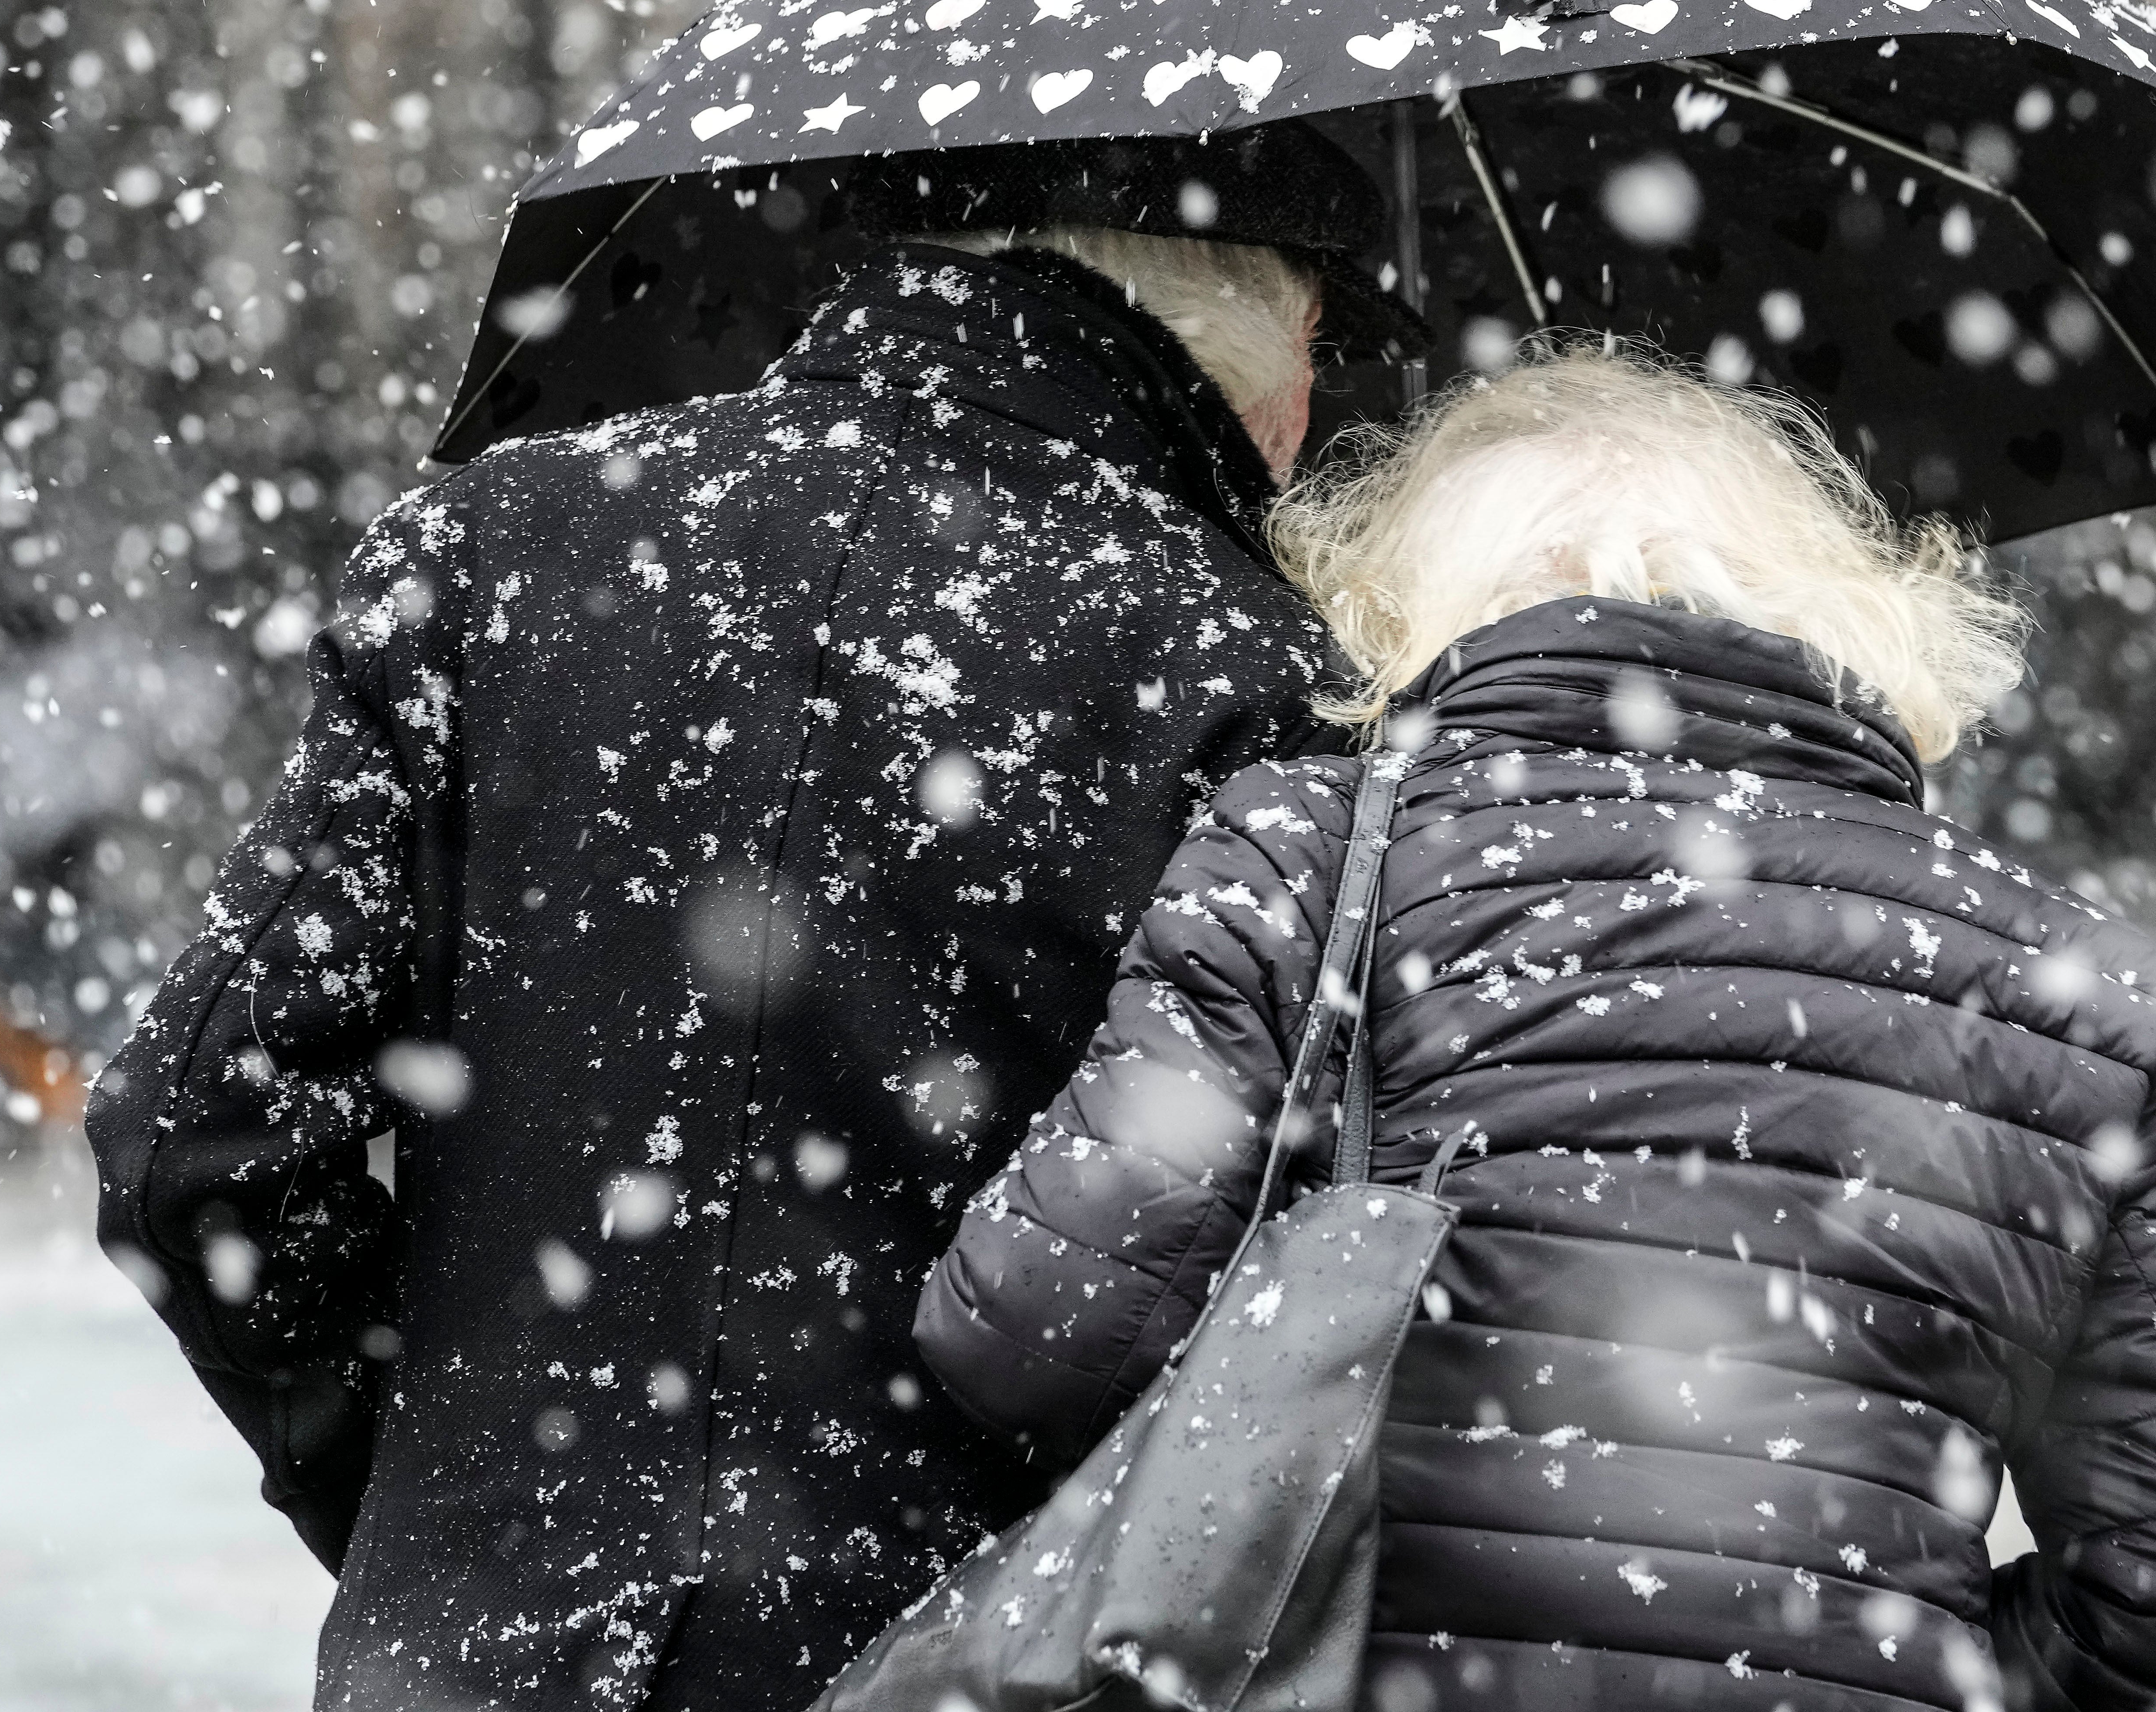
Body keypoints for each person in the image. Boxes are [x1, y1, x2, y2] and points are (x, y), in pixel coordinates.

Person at [85, 120, 1418, 1709]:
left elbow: (193, 1138)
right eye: (1320, 362)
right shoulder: (1247, 672)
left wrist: (429, 1502)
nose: (1308, 427)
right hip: (973, 1661)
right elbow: (1285, 1298)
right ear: (1256, 331)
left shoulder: (489, 551)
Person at [918, 344, 2156, 1712]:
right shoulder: (2066, 977)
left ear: (1405, 607)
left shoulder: (1311, 854)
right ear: (1845, 608)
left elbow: (1036, 1335)